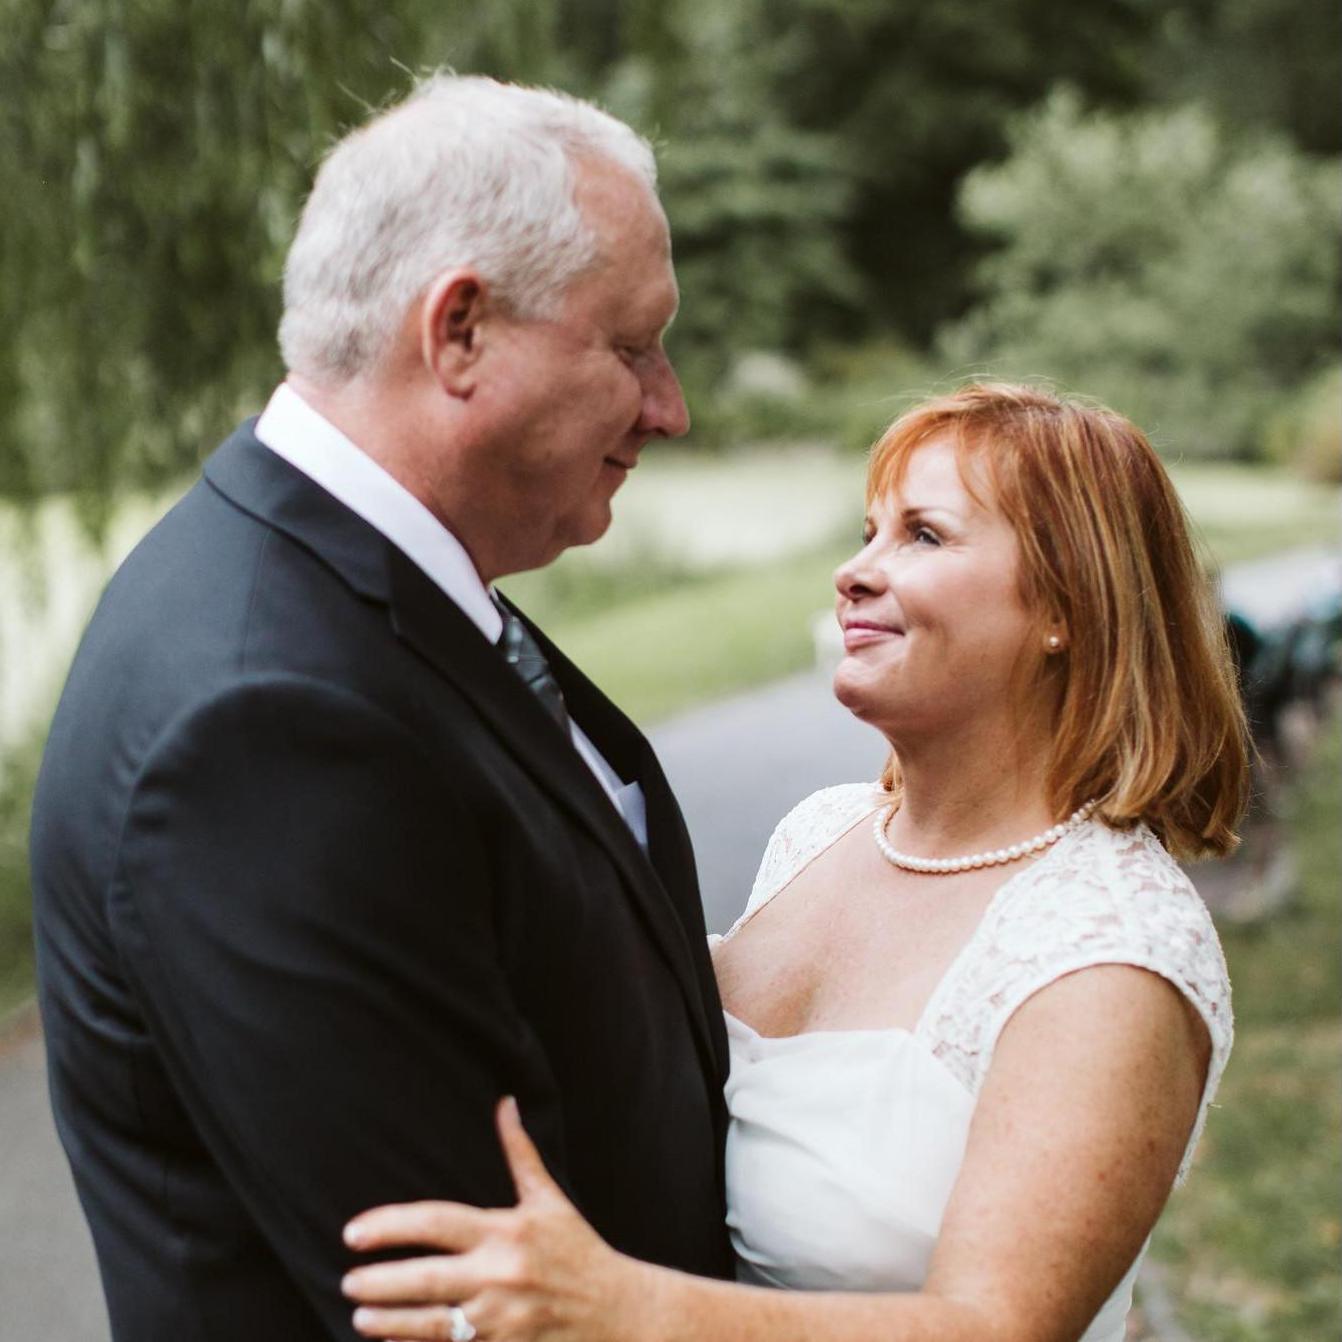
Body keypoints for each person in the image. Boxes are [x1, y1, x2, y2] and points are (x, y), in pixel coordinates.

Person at [29, 76, 735, 1340]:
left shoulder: (374, 586)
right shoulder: (265, 722)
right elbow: (467, 1302)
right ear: (458, 330)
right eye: (632, 346)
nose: (669, 408)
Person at [340, 382, 1249, 1342]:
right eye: (868, 532)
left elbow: (997, 1327)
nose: (854, 573)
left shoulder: (1113, 949)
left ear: (1066, 605)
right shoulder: (822, 833)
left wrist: (618, 1308)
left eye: (923, 536)